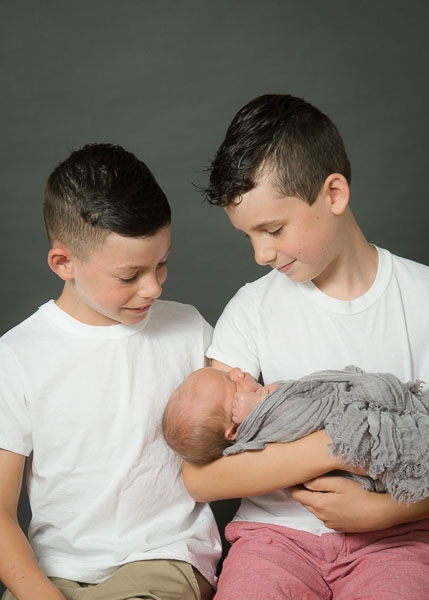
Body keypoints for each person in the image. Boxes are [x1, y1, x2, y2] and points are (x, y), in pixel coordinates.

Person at [182, 94, 429, 599]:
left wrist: (386, 510)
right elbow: (203, 477)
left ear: (333, 194)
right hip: (274, 540)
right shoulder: (252, 309)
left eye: (272, 230)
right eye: (247, 236)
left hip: (399, 538)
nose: (260, 254)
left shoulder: (421, 299)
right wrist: (330, 447)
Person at [0, 143, 224, 600]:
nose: (154, 286)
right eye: (130, 276)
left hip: (164, 558)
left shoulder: (189, 331)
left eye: (162, 264)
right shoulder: (18, 356)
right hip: (54, 572)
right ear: (64, 264)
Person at [163, 365, 429, 503]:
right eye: (232, 382)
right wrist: (264, 406)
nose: (237, 371)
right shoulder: (263, 425)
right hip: (365, 464)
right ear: (234, 430)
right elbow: (308, 415)